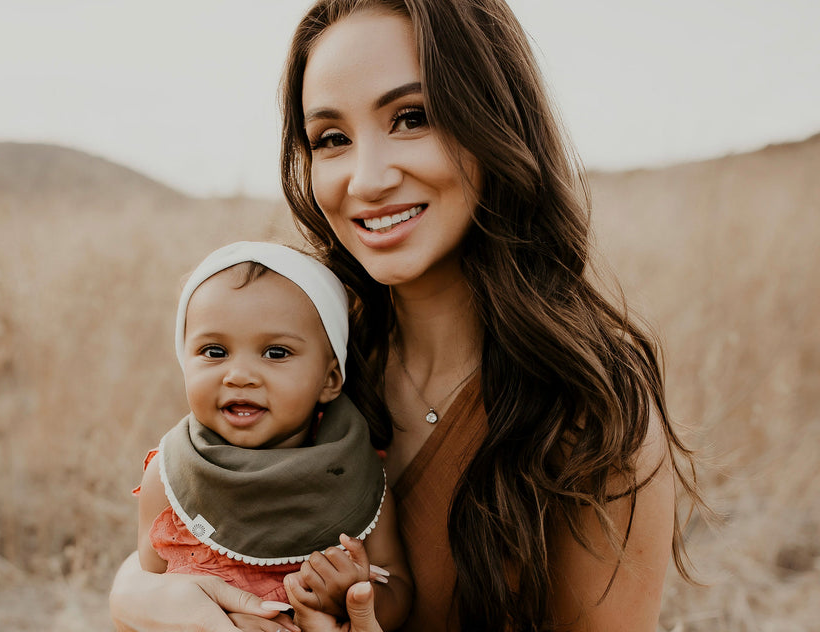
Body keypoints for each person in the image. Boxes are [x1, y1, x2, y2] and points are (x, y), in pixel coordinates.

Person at [110, 1, 705, 630]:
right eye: (332, 139)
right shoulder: (308, 354)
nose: (365, 180)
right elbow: (183, 540)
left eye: (411, 118)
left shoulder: (590, 415)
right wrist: (141, 598)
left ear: (496, 122)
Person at [133, 241, 412, 631]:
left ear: (330, 379)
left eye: (276, 353)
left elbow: (399, 591)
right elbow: (150, 602)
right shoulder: (171, 474)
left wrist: (352, 595)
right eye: (214, 351)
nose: (240, 375)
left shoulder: (356, 474)